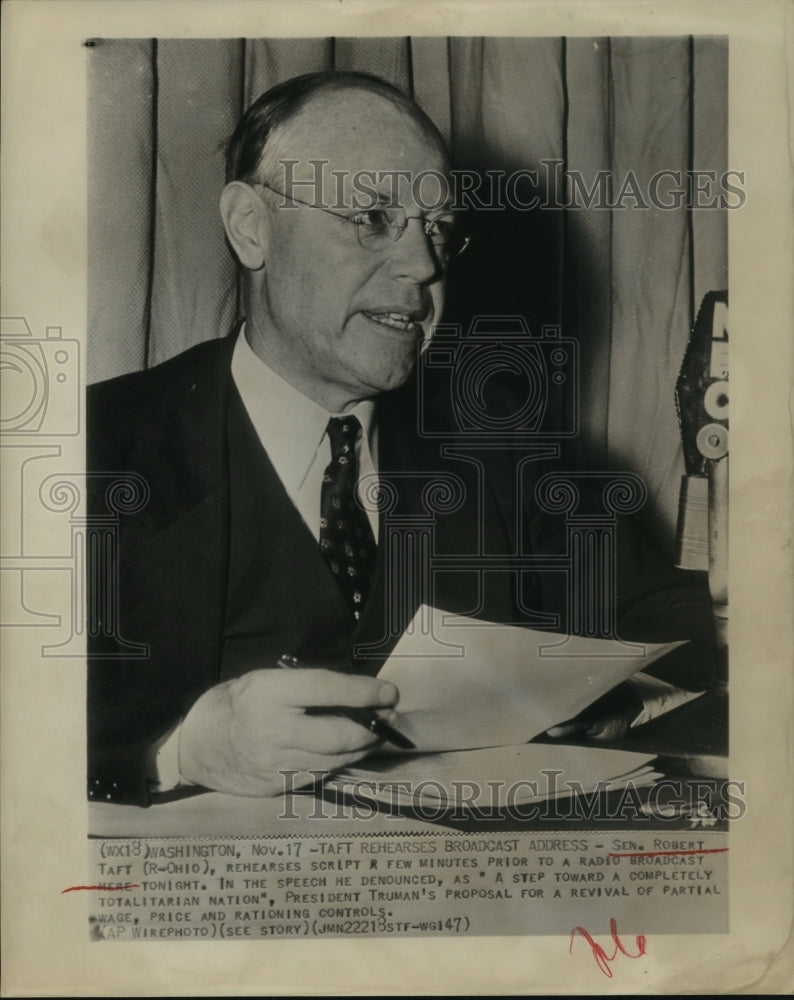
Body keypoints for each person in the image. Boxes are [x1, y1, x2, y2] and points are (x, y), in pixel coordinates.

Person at [87, 71, 714, 807]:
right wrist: (179, 749)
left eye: (438, 229)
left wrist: (613, 698)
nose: (425, 267)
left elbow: (676, 623)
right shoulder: (95, 447)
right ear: (250, 226)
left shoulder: (498, 447)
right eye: (374, 217)